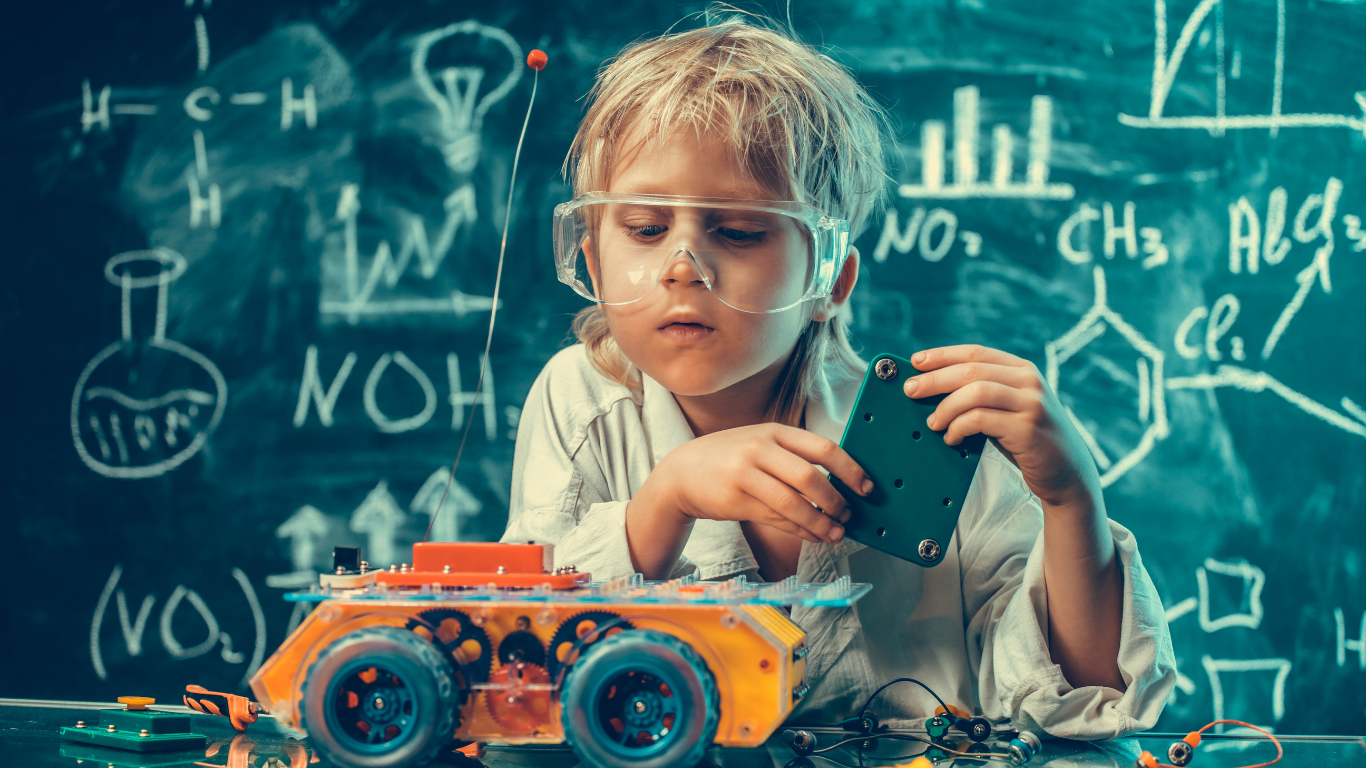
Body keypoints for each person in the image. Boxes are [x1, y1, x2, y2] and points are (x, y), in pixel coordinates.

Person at [502, 13, 1175, 738]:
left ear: (832, 278)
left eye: (738, 231)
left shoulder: (938, 428)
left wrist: (1074, 500)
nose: (681, 268)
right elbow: (524, 670)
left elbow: (1083, 702)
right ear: (594, 260)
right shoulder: (584, 401)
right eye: (643, 228)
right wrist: (663, 502)